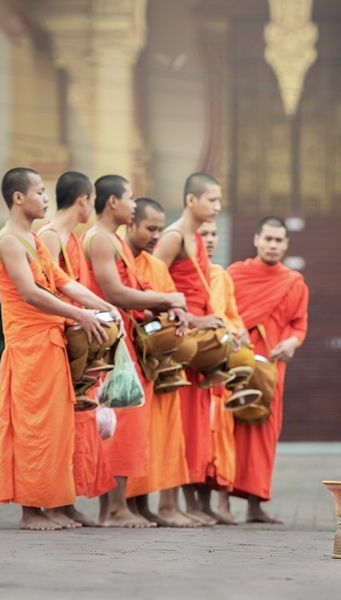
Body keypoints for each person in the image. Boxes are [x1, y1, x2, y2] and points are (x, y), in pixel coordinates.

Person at [0, 167, 115, 530]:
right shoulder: (9, 240)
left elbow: (64, 283)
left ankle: (59, 502)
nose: (46, 198)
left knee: (59, 428)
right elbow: (30, 292)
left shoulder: (34, 239)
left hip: (52, 342)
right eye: (40, 191)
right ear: (18, 197)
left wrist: (105, 309)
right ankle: (31, 511)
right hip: (29, 347)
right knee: (34, 427)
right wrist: (80, 315)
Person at [83, 174, 188, 528]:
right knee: (119, 422)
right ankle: (114, 510)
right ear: (112, 202)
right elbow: (115, 293)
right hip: (111, 344)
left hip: (123, 340)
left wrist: (163, 310)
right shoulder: (100, 238)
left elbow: (131, 295)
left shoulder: (113, 241)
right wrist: (167, 298)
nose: (132, 204)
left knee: (122, 423)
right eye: (129, 198)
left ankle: (113, 509)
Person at [36, 171, 118, 528]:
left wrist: (103, 309)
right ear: (84, 200)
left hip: (76, 339)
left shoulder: (70, 238)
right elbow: (49, 290)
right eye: (91, 200)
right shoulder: (50, 236)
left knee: (77, 428)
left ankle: (67, 502)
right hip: (55, 339)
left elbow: (71, 285)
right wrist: (82, 316)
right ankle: (50, 504)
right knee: (55, 428)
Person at [153, 172, 226, 526]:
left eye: (219, 200)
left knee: (191, 428)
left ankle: (179, 503)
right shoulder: (172, 236)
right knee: (173, 425)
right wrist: (194, 321)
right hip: (178, 340)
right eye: (212, 199)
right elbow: (151, 285)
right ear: (191, 200)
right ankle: (166, 505)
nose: (218, 206)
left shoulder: (195, 238)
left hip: (196, 346)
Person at [123, 198, 199, 528]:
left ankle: (157, 506)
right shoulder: (120, 258)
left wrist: (179, 315)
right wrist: (161, 308)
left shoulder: (154, 265)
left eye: (159, 228)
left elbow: (170, 297)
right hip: (130, 357)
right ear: (130, 224)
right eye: (150, 228)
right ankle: (130, 506)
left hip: (161, 363)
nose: (157, 235)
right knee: (133, 433)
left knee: (164, 436)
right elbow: (120, 298)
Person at [227, 216, 308, 523]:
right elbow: (222, 311)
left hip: (272, 366)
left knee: (265, 431)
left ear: (286, 244)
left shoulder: (294, 282)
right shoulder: (235, 274)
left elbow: (299, 324)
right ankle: (221, 502)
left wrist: (292, 343)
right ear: (256, 239)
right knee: (230, 426)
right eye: (268, 239)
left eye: (279, 240)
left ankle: (254, 505)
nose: (273, 245)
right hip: (237, 362)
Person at [198, 219, 250, 525]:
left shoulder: (221, 275)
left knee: (224, 438)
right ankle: (200, 504)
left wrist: (238, 330)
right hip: (200, 364)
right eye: (203, 234)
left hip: (223, 365)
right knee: (201, 436)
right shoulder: (183, 270)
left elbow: (231, 313)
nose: (210, 239)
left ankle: (223, 504)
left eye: (214, 234)